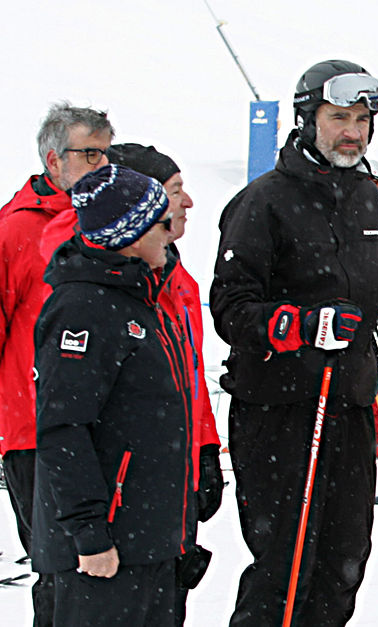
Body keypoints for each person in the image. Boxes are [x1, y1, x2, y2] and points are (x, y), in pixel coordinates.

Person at [209, 60, 378, 627]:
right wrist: (304, 326)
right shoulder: (263, 201)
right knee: (286, 566)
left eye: (361, 119)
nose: (352, 131)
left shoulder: (366, 197)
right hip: (280, 408)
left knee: (344, 561)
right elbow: (232, 308)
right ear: (308, 118)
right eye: (338, 117)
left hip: (350, 405)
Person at [34, 164, 197, 626]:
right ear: (131, 235)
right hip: (107, 550)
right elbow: (63, 429)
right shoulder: (83, 308)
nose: (171, 236)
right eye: (162, 225)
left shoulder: (140, 296)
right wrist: (89, 533)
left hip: (149, 540)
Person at [0, 101, 113, 626]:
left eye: (107, 154)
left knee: (106, 574)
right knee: (60, 572)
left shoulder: (110, 224)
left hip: (101, 424)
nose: (102, 164)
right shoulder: (16, 230)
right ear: (53, 160)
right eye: (89, 153)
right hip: (34, 431)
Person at [102, 143, 224, 624]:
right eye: (175, 193)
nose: (188, 202)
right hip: (125, 484)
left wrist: (205, 449)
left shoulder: (179, 278)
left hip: (173, 473)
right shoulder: (102, 287)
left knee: (168, 601)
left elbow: (191, 378)